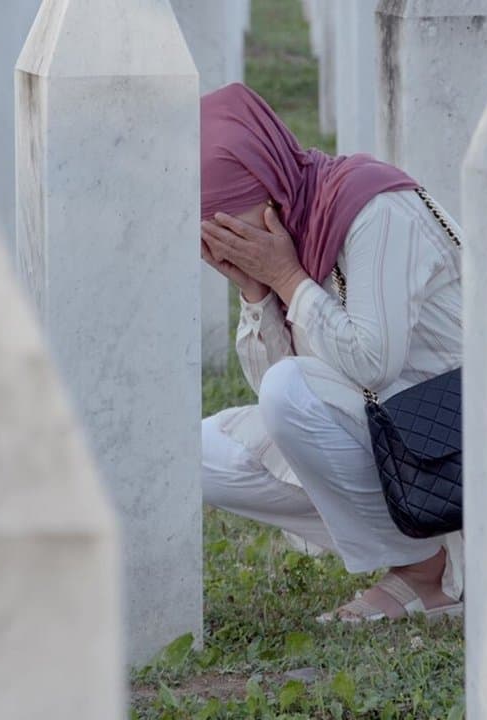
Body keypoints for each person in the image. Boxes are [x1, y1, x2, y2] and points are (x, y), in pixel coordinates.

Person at [198, 83, 464, 622]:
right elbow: (280, 397)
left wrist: (287, 276)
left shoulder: (373, 209)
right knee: (200, 455)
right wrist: (256, 291)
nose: (224, 243)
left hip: (463, 433)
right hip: (393, 430)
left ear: (269, 188)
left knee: (289, 392)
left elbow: (372, 361)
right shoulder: (296, 230)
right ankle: (418, 552)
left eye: (227, 224)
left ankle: (429, 574)